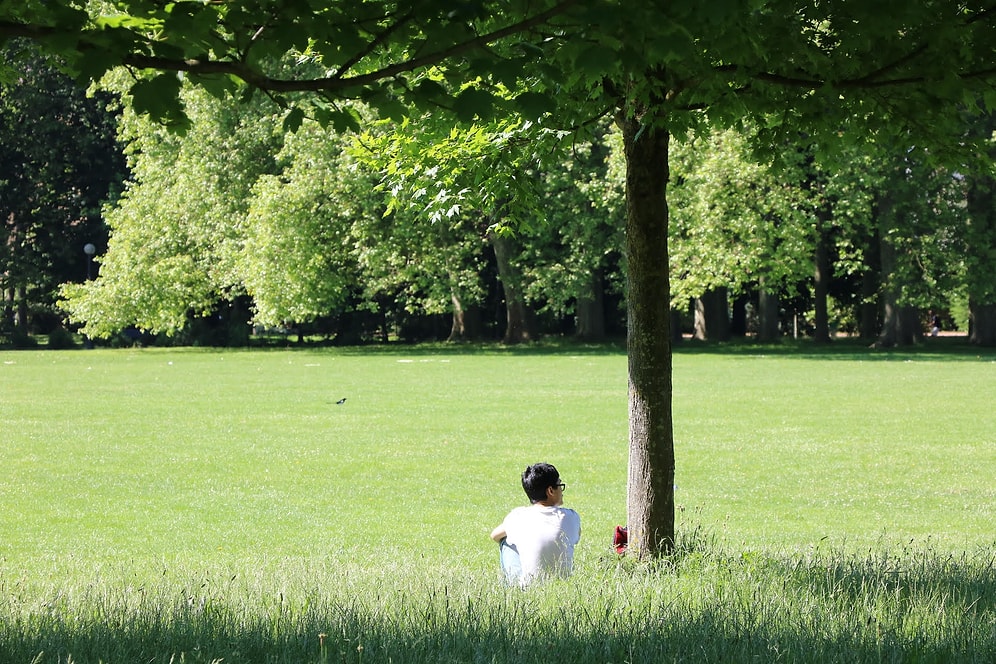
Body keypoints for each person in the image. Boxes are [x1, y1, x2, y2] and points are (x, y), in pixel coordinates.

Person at [490, 462, 581, 586]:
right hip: (562, 586)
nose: (561, 489)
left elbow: (494, 535)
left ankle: (511, 590)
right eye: (560, 485)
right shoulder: (571, 517)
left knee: (505, 540)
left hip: (529, 588)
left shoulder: (518, 516)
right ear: (550, 491)